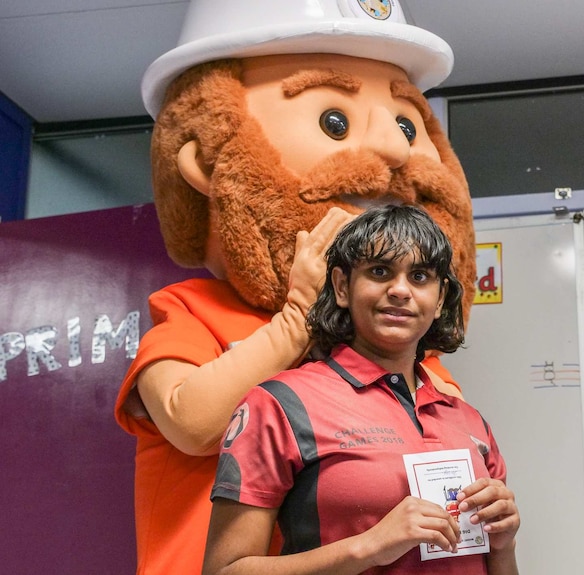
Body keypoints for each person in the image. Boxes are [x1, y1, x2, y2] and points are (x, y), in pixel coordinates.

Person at [114, 2, 478, 572]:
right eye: (335, 120)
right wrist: (299, 315)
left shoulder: (409, 356)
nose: (395, 149)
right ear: (206, 159)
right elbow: (191, 423)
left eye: (408, 124)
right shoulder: (190, 313)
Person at [202, 205, 520, 575]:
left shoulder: (469, 421)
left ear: (439, 299)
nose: (400, 290)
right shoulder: (279, 405)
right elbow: (224, 570)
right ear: (341, 286)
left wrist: (504, 544)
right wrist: (367, 547)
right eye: (380, 271)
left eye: (419, 276)